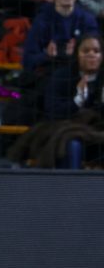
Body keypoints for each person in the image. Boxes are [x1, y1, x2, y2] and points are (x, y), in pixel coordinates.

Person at [8, 33, 104, 168]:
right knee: (71, 145)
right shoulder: (62, 76)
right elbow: (52, 111)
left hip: (96, 134)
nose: (91, 54)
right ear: (77, 54)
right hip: (65, 130)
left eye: (96, 51)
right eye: (85, 51)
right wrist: (77, 101)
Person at [23, 0, 98, 74]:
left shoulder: (88, 20)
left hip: (80, 73)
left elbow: (97, 57)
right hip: (50, 73)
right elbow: (27, 60)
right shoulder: (41, 20)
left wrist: (77, 53)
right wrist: (46, 55)